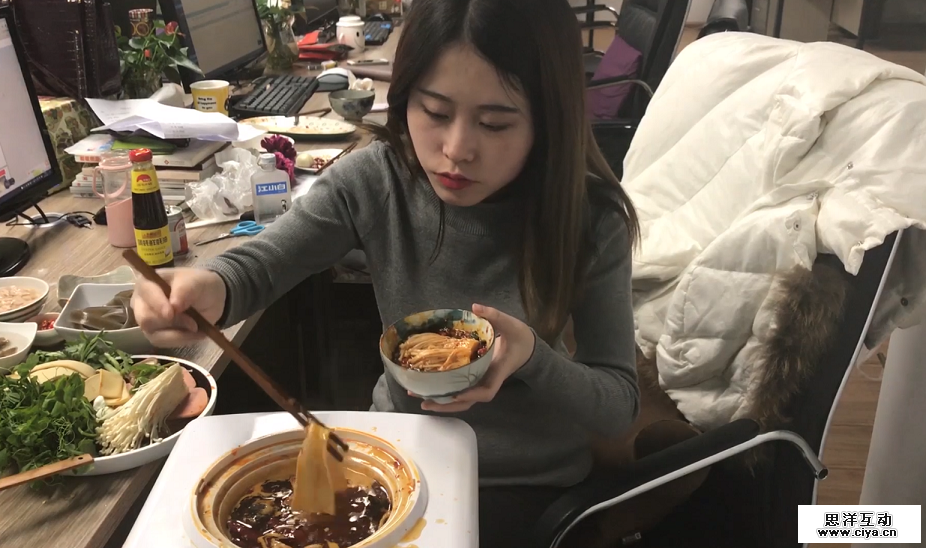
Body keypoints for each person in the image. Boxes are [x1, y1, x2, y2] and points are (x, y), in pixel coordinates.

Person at [132, 0, 641, 545]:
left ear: (549, 118)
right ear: (404, 99)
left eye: (494, 123)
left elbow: (619, 407)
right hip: (399, 458)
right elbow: (262, 263)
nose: (455, 150)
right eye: (435, 112)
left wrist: (533, 356)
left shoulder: (589, 217)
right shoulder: (378, 180)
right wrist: (210, 286)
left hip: (528, 489)